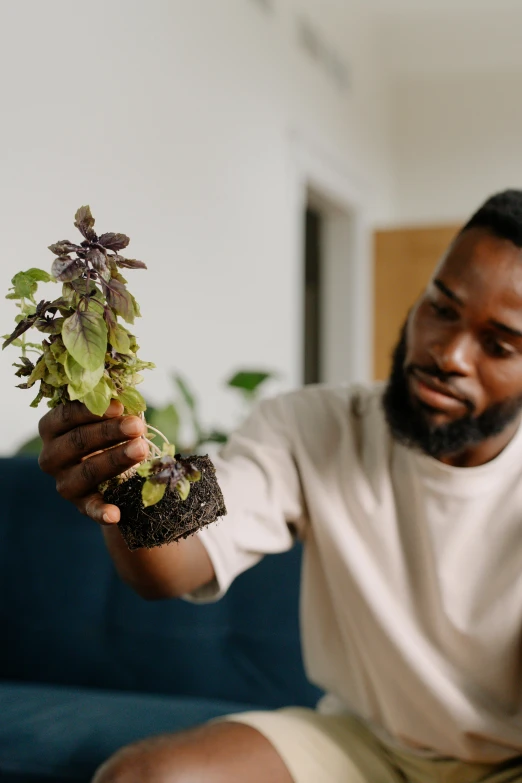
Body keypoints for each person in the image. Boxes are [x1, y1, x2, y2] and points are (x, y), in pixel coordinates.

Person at [38, 190, 522, 783]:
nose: (448, 354)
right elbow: (172, 569)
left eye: (499, 344)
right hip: (364, 744)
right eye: (441, 308)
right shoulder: (313, 426)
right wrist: (118, 466)